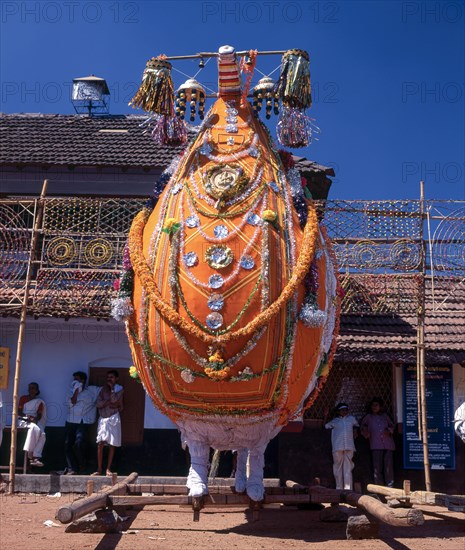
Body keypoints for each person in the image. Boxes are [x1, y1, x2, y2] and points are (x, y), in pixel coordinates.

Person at [64, 371, 97, 475]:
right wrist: (76, 391)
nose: (74, 381)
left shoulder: (90, 392)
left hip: (83, 422)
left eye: (77, 379)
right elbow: (71, 403)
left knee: (79, 443)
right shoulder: (70, 391)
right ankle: (72, 468)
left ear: (82, 381)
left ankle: (82, 464)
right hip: (71, 421)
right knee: (67, 445)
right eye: (74, 379)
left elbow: (103, 391)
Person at [92, 370, 123, 476]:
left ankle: (108, 469)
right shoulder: (102, 390)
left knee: (111, 444)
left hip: (113, 418)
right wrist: (108, 403)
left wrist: (113, 390)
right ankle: (99, 469)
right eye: (108, 377)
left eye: (112, 377)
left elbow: (116, 401)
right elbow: (98, 404)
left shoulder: (120, 389)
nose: (109, 379)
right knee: (100, 443)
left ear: (116, 379)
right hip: (103, 419)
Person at [361, 397, 395, 487]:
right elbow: (362, 427)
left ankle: (390, 488)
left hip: (388, 445)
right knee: (377, 469)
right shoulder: (368, 417)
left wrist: (389, 430)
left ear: (380, 407)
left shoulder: (385, 416)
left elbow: (392, 425)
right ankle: (379, 489)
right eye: (373, 405)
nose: (374, 407)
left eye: (376, 405)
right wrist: (365, 432)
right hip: (375, 445)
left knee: (388, 468)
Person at [325, 402, 359, 490]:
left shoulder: (351, 419)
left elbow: (357, 426)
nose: (344, 411)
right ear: (338, 411)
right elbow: (325, 426)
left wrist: (355, 430)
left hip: (349, 446)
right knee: (337, 468)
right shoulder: (335, 421)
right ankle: (339, 488)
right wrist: (325, 416)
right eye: (342, 410)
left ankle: (348, 489)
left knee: (348, 468)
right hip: (337, 446)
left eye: (346, 410)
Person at [18, 382, 46, 467]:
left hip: (34, 421)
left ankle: (36, 456)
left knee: (43, 434)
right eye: (30, 388)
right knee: (34, 428)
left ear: (37, 390)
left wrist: (35, 419)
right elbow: (19, 411)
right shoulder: (23, 398)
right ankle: (30, 456)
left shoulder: (39, 401)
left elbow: (39, 415)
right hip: (22, 420)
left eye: (33, 388)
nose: (31, 390)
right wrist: (27, 417)